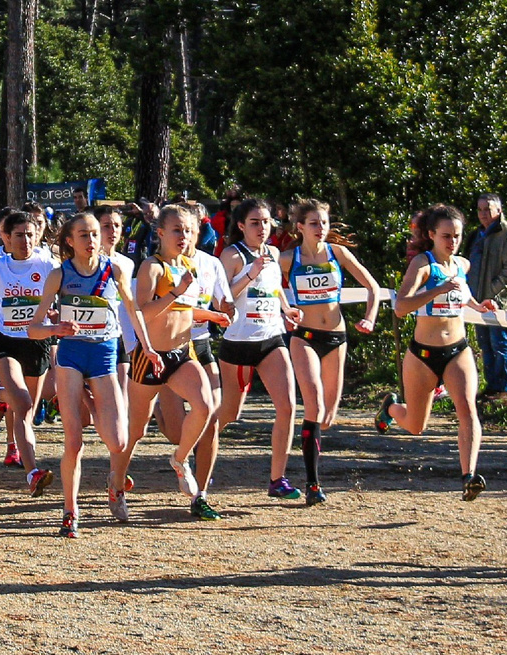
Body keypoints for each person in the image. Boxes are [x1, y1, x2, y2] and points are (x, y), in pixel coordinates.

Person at [31, 208, 139, 533]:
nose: (92, 240)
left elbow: (134, 313)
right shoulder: (59, 275)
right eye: (84, 235)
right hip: (71, 358)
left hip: (105, 356)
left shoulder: (114, 270)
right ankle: (70, 512)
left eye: (95, 234)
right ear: (69, 240)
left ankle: (90, 401)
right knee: (73, 442)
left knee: (118, 442)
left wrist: (147, 348)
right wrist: (55, 329)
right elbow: (33, 328)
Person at [125, 203, 231, 520]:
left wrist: (215, 314)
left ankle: (189, 473)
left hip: (189, 350)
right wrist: (176, 293)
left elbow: (187, 310)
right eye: (177, 230)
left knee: (208, 409)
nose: (184, 236)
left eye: (188, 230)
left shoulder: (197, 265)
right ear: (160, 233)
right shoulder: (153, 267)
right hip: (151, 355)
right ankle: (117, 481)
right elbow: (144, 314)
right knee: (137, 430)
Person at [375, 204, 490, 497]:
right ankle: (390, 406)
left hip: (457, 350)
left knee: (467, 409)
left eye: (457, 236)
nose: (452, 242)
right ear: (431, 235)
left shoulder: (462, 265)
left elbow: (462, 295)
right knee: (415, 426)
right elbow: (401, 307)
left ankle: (469, 475)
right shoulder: (422, 265)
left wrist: (479, 305)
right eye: (446, 236)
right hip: (423, 355)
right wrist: (435, 290)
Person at [281, 198, 384, 506]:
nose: (321, 228)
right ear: (300, 228)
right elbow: (268, 285)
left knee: (326, 418)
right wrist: (286, 309)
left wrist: (369, 316)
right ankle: (313, 484)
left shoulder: (338, 253)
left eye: (324, 223)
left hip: (337, 337)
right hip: (305, 337)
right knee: (312, 405)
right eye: (314, 223)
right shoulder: (289, 258)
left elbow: (373, 287)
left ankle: (314, 456)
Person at [209, 198, 299, 502]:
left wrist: (288, 309)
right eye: (255, 223)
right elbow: (219, 300)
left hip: (271, 339)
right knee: (229, 413)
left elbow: (273, 289)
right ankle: (198, 445)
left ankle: (277, 478)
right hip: (237, 342)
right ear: (241, 226)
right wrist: (250, 273)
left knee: (287, 406)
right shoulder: (232, 255)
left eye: (266, 221)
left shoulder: (273, 253)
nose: (263, 228)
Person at [0, 209, 58, 490]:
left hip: (36, 341)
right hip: (3, 338)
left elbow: (63, 293)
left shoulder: (48, 264)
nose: (25, 240)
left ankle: (0, 394)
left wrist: (57, 315)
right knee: (22, 403)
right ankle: (33, 472)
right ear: (6, 238)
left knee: (27, 410)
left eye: (30, 234)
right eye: (19, 235)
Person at [465, 194, 507, 405]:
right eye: (480, 210)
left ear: (498, 210)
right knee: (485, 344)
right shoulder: (477, 235)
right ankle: (491, 386)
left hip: (498, 302)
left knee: (500, 343)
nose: (483, 214)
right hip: (477, 301)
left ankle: (503, 388)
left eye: (487, 209)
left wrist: (493, 292)